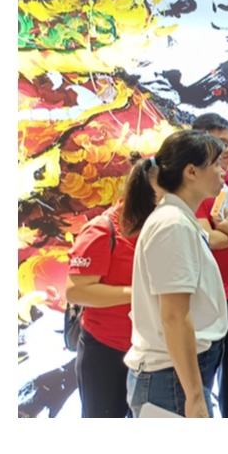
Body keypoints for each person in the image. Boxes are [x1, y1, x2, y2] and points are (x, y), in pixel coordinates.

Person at [124, 130, 228, 418]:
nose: (223, 171)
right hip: (171, 377)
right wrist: (194, 396)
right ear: (191, 172)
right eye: (216, 163)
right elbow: (174, 316)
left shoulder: (179, 219)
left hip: (176, 372)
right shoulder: (173, 224)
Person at [66, 152, 155, 417]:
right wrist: (136, 293)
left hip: (150, 350)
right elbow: (76, 291)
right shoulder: (103, 229)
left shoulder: (158, 227)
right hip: (106, 350)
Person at [192, 113, 228, 418]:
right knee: (201, 378)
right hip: (204, 295)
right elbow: (208, 239)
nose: (227, 150)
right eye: (220, 143)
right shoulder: (195, 187)